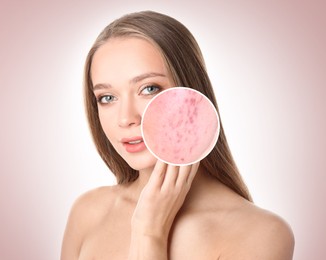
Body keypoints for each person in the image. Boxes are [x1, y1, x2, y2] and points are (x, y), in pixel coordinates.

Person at [61, 11, 294, 259]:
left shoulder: (261, 233)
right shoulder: (88, 213)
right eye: (107, 98)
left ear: (191, 93)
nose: (125, 118)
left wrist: (150, 233)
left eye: (148, 89)